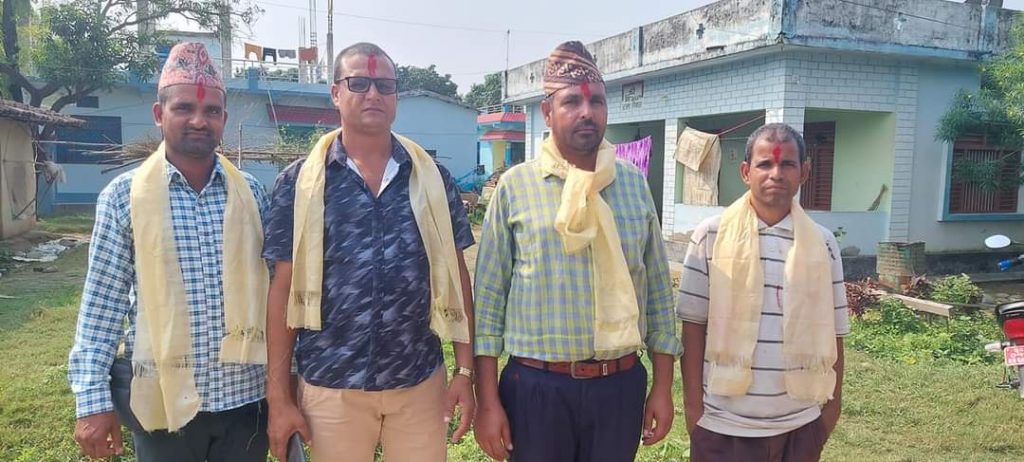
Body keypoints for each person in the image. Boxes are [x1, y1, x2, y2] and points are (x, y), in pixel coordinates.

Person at [262, 42, 476, 462]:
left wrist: (464, 371)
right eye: (359, 83)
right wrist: (279, 396)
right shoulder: (300, 183)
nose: (374, 94)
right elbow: (282, 290)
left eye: (385, 85)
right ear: (335, 93)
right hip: (331, 384)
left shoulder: (431, 179)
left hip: (418, 381)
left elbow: (457, 275)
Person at [472, 41, 682, 462]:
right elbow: (489, 304)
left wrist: (662, 387)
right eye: (571, 102)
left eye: (597, 101)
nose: (587, 112)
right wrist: (488, 402)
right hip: (536, 389)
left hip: (618, 387)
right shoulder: (515, 187)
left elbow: (659, 294)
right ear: (547, 112)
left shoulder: (632, 185)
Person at [69, 42, 271, 461]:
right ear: (159, 114)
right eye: (183, 108)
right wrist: (91, 400)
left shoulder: (251, 194)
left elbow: (274, 295)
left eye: (211, 111)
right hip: (161, 402)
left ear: (224, 119)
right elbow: (102, 305)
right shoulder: (124, 196)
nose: (199, 120)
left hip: (246, 398)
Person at [677, 123, 849, 462]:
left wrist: (830, 412)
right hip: (722, 426)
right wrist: (695, 410)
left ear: (804, 172)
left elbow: (836, 331)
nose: (776, 174)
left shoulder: (823, 244)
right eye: (765, 164)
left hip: (800, 425)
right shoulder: (710, 236)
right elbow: (693, 327)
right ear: (745, 172)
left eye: (787, 164)